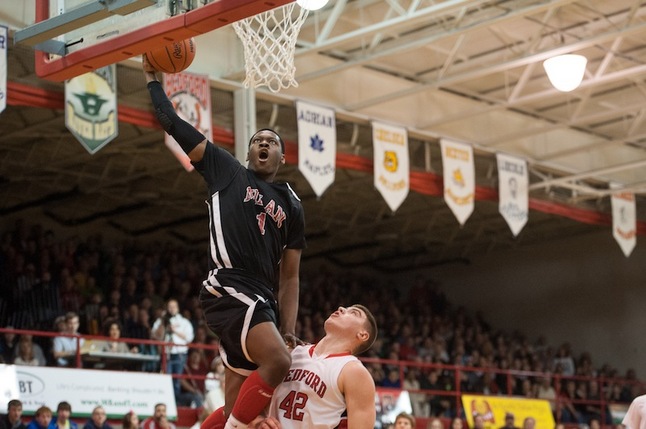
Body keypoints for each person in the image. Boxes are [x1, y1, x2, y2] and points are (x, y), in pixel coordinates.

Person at [143, 54, 306, 429]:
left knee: (238, 414)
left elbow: (291, 277)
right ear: (249, 153)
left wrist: (288, 327)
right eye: (258, 141)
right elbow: (172, 122)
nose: (264, 144)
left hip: (263, 300)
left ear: (282, 156)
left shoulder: (293, 204)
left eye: (272, 142)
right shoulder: (226, 170)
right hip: (228, 287)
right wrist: (154, 79)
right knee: (279, 361)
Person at [244, 305, 378, 429]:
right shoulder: (291, 352)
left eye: (353, 313)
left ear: (362, 335)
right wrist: (258, 420)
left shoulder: (353, 371)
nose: (342, 308)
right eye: (345, 308)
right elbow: (253, 393)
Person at [151, 299, 194, 397]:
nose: (171, 309)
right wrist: (163, 322)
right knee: (166, 378)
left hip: (180, 353)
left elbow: (189, 338)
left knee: (177, 380)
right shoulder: (161, 321)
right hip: (166, 353)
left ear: (177, 308)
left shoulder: (184, 321)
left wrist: (174, 330)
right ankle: (166, 399)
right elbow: (155, 336)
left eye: (173, 307)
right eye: (169, 307)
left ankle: (176, 402)